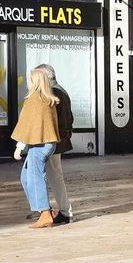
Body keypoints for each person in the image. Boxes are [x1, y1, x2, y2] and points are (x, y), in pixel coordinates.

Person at [11, 66, 60, 229]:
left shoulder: (33, 100)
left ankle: (45, 213)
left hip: (39, 146)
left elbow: (27, 125)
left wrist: (19, 147)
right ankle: (45, 211)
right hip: (48, 144)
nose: (28, 83)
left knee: (34, 177)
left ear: (35, 82)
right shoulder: (49, 99)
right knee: (26, 177)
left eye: (30, 80)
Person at [36, 63, 76, 225]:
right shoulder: (60, 90)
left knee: (53, 176)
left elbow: (57, 120)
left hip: (52, 140)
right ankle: (57, 211)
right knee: (52, 175)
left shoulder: (52, 93)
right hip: (56, 140)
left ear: (45, 77)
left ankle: (60, 212)